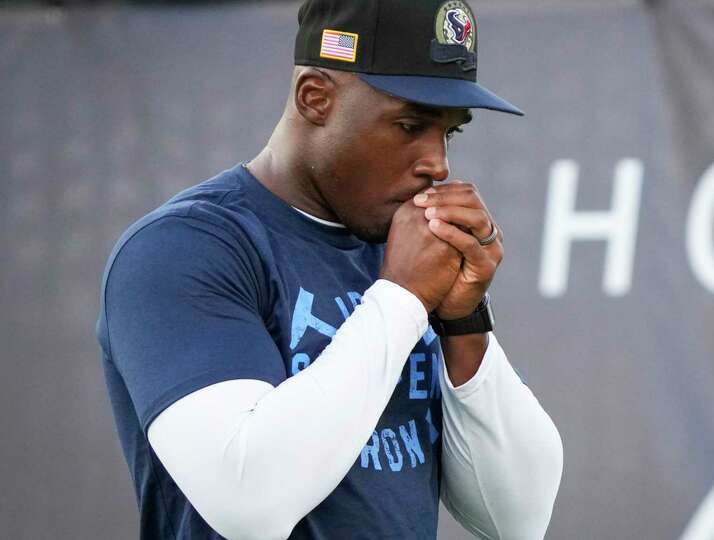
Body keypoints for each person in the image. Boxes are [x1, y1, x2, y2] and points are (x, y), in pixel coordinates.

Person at [95, 0, 563, 539]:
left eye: (449, 132)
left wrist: (463, 323)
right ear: (315, 98)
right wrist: (402, 298)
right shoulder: (185, 247)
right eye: (410, 124)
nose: (437, 163)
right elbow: (249, 502)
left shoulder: (399, 250)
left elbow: (517, 519)